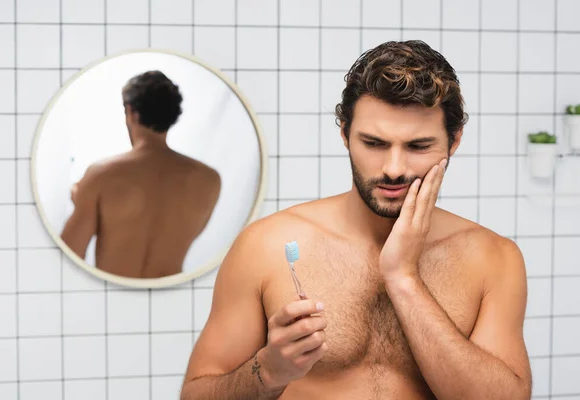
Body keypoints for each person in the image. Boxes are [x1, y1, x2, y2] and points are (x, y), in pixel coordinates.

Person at [180, 41, 532, 399]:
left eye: (418, 146)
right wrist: (269, 371)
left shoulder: (493, 259)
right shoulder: (265, 246)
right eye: (375, 143)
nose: (394, 169)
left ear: (453, 141)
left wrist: (404, 278)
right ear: (345, 134)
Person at [61, 70, 221, 279]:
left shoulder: (102, 175)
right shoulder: (209, 180)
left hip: (112, 294)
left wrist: (83, 201)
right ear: (173, 114)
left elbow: (69, 255)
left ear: (130, 112)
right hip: (170, 295)